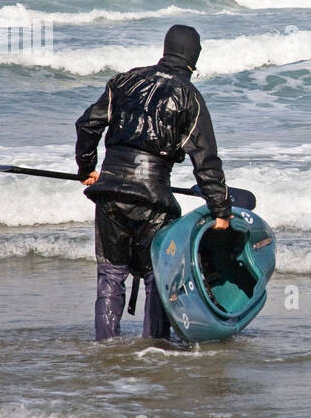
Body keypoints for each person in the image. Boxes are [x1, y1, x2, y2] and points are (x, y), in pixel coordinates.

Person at [75, 24, 233, 341]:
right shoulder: (189, 97)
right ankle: (155, 350)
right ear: (194, 57)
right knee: (156, 277)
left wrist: (86, 167)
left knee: (111, 274)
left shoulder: (124, 81)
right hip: (154, 200)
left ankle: (106, 348)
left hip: (109, 192)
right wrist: (221, 210)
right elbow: (205, 160)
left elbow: (87, 124)